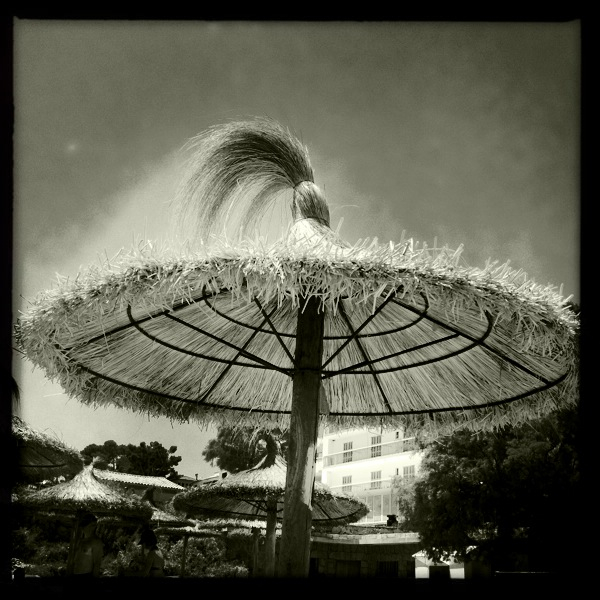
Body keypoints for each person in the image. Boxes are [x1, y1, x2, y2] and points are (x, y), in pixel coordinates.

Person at [72, 513, 104, 577]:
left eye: (85, 525)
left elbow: (97, 563)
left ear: (93, 526)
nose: (83, 528)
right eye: (83, 525)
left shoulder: (96, 542)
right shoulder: (81, 540)